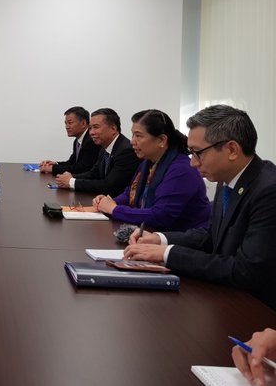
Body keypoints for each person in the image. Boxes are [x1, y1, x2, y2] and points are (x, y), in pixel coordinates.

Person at [124, 105, 276, 310]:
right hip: (226, 299)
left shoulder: (269, 191)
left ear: (232, 149)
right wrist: (159, 239)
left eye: (197, 153)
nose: (192, 164)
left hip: (257, 311)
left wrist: (167, 253)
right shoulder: (227, 179)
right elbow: (210, 235)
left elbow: (245, 271)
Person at [93, 110, 211, 231]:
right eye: (133, 135)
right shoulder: (148, 162)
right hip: (151, 235)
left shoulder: (182, 169)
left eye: (138, 136)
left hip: (180, 241)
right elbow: (130, 195)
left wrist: (114, 209)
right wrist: (109, 202)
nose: (132, 141)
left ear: (161, 140)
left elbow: (160, 216)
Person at [55, 108, 140, 196]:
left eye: (96, 127)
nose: (91, 132)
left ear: (113, 129)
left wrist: (72, 182)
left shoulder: (126, 151)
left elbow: (109, 185)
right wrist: (71, 177)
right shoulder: (104, 148)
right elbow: (94, 173)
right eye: (90, 128)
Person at [39, 106, 99, 175]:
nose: (66, 127)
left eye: (70, 123)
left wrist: (52, 168)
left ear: (83, 123)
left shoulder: (91, 140)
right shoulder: (77, 141)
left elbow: (82, 169)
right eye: (66, 123)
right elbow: (72, 162)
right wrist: (55, 164)